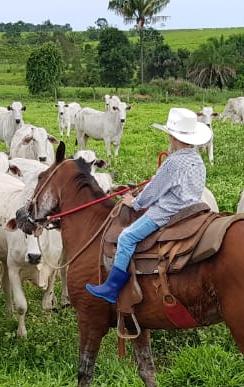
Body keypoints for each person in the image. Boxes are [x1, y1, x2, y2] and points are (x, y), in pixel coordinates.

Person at [85, 107, 212, 303]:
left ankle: (111, 288)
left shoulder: (173, 162)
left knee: (127, 237)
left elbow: (152, 194)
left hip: (168, 212)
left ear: (173, 137)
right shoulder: (197, 159)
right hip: (190, 210)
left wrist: (134, 202)